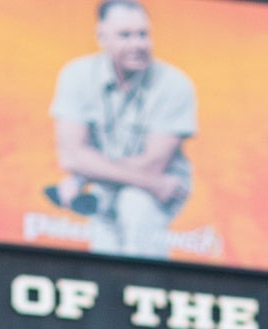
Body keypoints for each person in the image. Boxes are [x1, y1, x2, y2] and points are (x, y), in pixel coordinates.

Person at [47, 1, 196, 258]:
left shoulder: (174, 84)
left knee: (135, 205)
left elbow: (154, 164)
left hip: (159, 190)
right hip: (130, 185)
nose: (138, 44)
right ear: (101, 37)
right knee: (104, 249)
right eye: (125, 35)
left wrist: (85, 175)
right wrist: (152, 183)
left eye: (143, 34)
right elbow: (71, 156)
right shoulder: (76, 75)